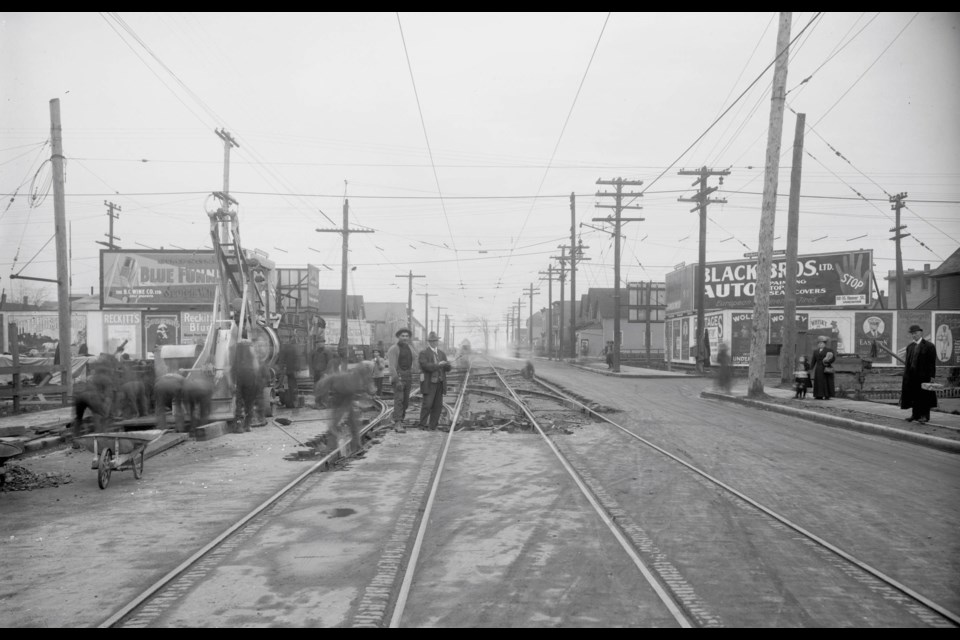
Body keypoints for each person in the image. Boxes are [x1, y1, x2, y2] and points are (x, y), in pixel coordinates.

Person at [900, 324, 937, 423]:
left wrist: (932, 376)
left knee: (925, 396)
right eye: (912, 334)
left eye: (915, 333)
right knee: (913, 396)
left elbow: (932, 363)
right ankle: (915, 415)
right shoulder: (910, 347)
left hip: (924, 376)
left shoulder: (929, 346)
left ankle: (925, 416)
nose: (914, 335)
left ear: (921, 333)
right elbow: (908, 362)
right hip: (912, 376)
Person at [418, 331, 452, 430]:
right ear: (429, 342)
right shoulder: (423, 353)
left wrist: (448, 366)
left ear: (438, 341)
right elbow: (425, 366)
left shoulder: (442, 353)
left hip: (440, 384)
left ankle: (433, 426)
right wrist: (438, 365)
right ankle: (422, 425)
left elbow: (447, 369)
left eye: (435, 341)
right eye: (432, 341)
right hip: (429, 384)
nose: (434, 342)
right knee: (427, 405)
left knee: (438, 406)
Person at [387, 328, 417, 433]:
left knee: (406, 402)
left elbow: (415, 358)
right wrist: (396, 379)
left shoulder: (410, 347)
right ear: (398, 337)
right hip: (399, 377)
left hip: (408, 377)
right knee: (399, 400)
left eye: (406, 336)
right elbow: (391, 366)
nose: (405, 338)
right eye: (402, 336)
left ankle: (401, 420)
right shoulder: (394, 349)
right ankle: (397, 423)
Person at [811, 335, 836, 400]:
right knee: (818, 382)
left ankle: (827, 395)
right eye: (819, 343)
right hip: (818, 369)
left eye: (822, 343)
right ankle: (818, 395)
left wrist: (828, 361)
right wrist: (811, 368)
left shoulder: (829, 350)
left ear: (824, 344)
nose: (820, 344)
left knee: (826, 382)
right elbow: (813, 360)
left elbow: (833, 358)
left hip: (826, 368)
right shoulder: (815, 351)